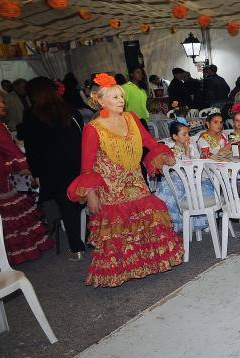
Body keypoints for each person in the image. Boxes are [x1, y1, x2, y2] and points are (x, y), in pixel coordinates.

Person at [66, 74, 183, 287]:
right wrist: (91, 193)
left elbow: (148, 141)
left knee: (147, 220)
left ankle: (147, 264)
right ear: (100, 101)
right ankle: (118, 271)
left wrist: (162, 154)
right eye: (114, 97)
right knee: (118, 229)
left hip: (135, 180)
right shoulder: (93, 128)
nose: (121, 100)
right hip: (111, 186)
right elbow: (86, 166)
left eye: (121, 96)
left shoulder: (131, 118)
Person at [0, 89, 52, 274]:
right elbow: (10, 149)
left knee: (0, 213)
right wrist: (28, 169)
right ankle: (8, 254)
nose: (2, 105)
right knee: (1, 212)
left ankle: (3, 254)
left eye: (2, 101)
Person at [22, 77, 87, 260]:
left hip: (52, 167)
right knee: (80, 201)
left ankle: (77, 248)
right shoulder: (69, 109)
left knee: (66, 205)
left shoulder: (32, 113)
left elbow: (31, 147)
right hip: (76, 161)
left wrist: (36, 173)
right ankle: (88, 237)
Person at [154, 121, 214, 233]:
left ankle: (201, 222)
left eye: (188, 134)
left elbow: (195, 162)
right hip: (179, 179)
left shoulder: (191, 147)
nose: (188, 137)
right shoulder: (171, 151)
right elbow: (186, 166)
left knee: (207, 187)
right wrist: (186, 151)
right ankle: (181, 224)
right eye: (184, 134)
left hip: (192, 178)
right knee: (182, 194)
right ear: (175, 136)